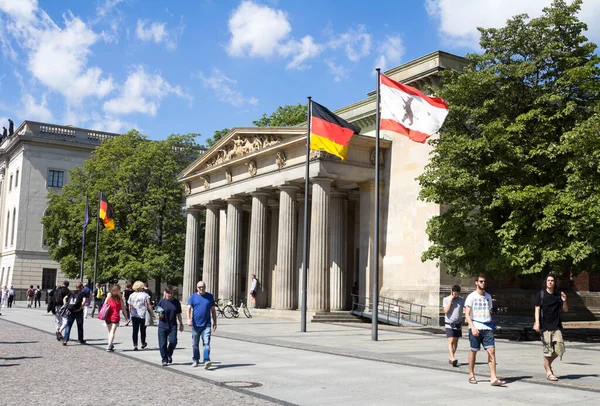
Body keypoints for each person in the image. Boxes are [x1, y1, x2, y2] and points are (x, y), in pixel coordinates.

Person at [465, 273, 505, 386]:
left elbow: (489, 311)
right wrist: (472, 328)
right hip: (476, 327)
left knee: (491, 350)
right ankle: (471, 374)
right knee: (474, 350)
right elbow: (467, 315)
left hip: (487, 327)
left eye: (484, 282)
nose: (483, 283)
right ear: (476, 282)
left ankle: (493, 377)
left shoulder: (488, 296)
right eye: (481, 281)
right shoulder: (471, 297)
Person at [533, 272, 568, 382]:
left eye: (552, 281)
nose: (550, 282)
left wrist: (565, 301)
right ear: (546, 282)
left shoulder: (558, 295)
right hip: (545, 326)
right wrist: (537, 323)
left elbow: (565, 310)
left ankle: (546, 364)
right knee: (548, 350)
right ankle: (549, 372)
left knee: (560, 349)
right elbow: (537, 309)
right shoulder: (541, 294)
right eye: (548, 280)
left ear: (554, 283)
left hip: (556, 325)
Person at [187, 281, 217, 369]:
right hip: (196, 325)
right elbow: (188, 308)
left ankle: (206, 360)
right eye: (199, 287)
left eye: (203, 287)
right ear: (197, 288)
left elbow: (213, 310)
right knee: (195, 344)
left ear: (205, 287)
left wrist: (215, 322)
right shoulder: (193, 297)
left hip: (206, 324)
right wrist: (188, 319)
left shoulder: (209, 296)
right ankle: (196, 359)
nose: (201, 289)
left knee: (206, 343)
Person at [156, 286, 183, 366]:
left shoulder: (176, 302)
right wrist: (159, 314)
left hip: (173, 325)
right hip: (162, 325)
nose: (168, 295)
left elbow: (178, 314)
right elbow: (157, 311)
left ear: (173, 294)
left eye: (170, 293)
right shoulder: (162, 302)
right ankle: (164, 359)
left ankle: (169, 354)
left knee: (173, 341)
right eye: (167, 293)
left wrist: (181, 324)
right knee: (162, 343)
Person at [443, 284, 464, 367]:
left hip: (458, 324)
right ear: (451, 292)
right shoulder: (446, 299)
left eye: (457, 294)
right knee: (450, 341)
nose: (456, 296)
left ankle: (451, 358)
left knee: (455, 341)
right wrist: (451, 301)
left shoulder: (461, 300)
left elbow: (466, 308)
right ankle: (453, 358)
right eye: (454, 294)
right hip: (449, 323)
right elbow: (445, 310)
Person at [128, 281, 153, 351]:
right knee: (143, 330)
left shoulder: (131, 295)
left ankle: (135, 345)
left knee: (135, 330)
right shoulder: (145, 295)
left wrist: (130, 313)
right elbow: (149, 305)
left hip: (134, 315)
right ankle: (143, 343)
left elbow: (129, 306)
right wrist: (152, 314)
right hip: (143, 314)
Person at [104, 285, 128, 352]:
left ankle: (110, 344)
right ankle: (109, 346)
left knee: (109, 331)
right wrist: (126, 316)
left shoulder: (109, 296)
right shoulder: (119, 297)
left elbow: (105, 304)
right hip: (115, 316)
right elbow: (123, 308)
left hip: (108, 315)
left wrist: (108, 297)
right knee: (112, 331)